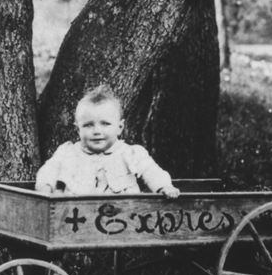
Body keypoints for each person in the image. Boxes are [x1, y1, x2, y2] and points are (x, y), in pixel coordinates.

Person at [35, 85, 182, 198]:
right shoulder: (68, 152)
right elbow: (48, 171)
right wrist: (45, 187)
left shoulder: (131, 153)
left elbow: (152, 171)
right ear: (77, 129)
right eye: (88, 125)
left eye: (105, 124)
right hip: (77, 218)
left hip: (123, 217)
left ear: (119, 127)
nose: (97, 131)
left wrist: (164, 187)